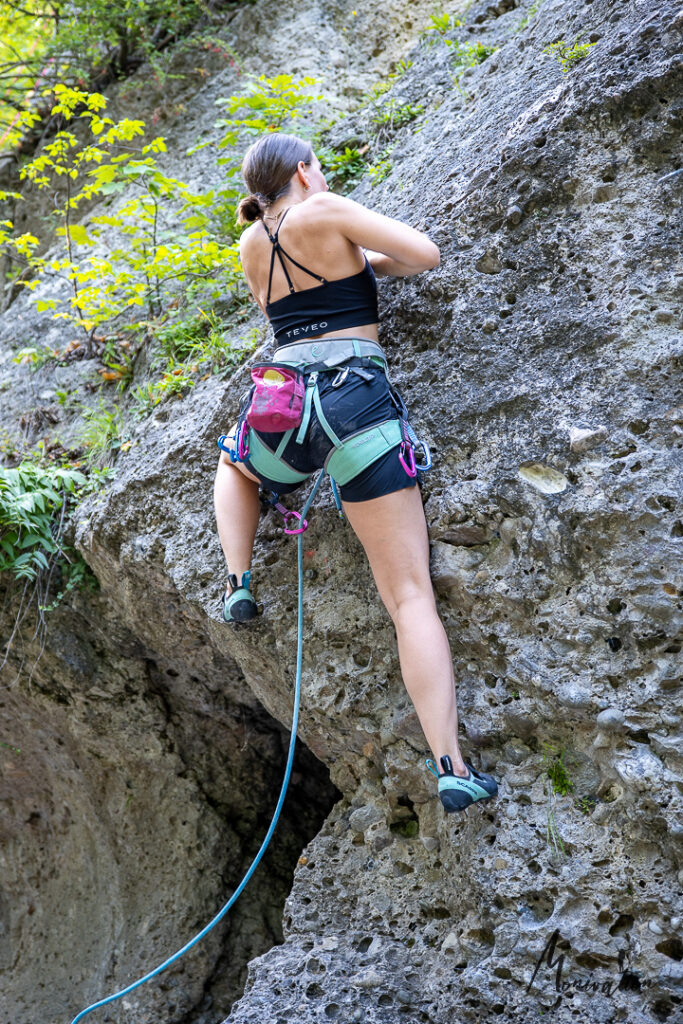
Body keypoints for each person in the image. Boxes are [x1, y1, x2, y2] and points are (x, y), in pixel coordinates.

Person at [213, 132, 497, 814]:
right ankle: (451, 767)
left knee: (233, 461)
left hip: (282, 407)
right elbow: (423, 254)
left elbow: (285, 305)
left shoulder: (251, 243)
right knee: (408, 599)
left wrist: (353, 264)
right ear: (304, 173)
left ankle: (239, 579)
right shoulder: (327, 208)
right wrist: (367, 264)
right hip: (354, 404)